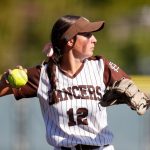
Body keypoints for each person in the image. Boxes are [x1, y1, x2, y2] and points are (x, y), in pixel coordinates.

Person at [0, 15, 149, 150]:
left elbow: (135, 94)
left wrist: (137, 100)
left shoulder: (100, 66)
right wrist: (5, 81)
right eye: (88, 35)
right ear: (70, 40)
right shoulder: (43, 74)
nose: (94, 39)